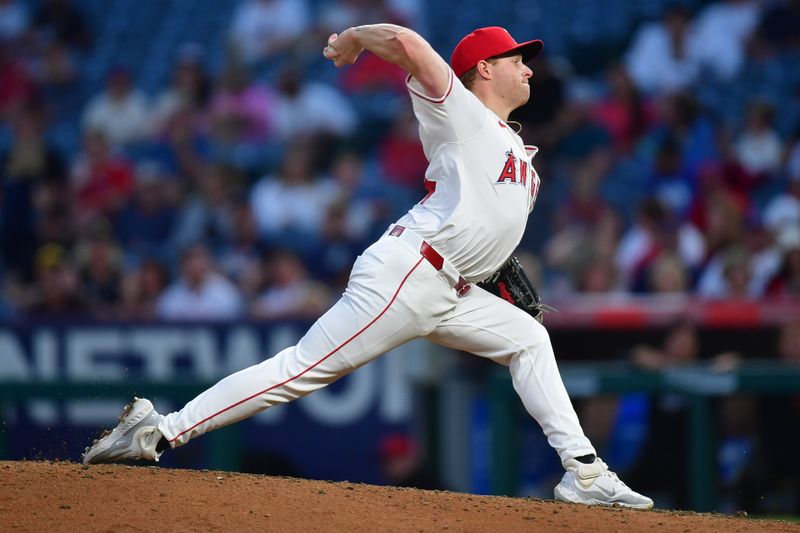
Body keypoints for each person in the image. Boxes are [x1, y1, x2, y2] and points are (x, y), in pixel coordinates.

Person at [81, 24, 653, 510]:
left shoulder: (516, 152)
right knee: (299, 370)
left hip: (451, 287)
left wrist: (493, 265)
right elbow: (405, 41)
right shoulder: (461, 114)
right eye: (516, 60)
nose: (528, 69)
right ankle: (159, 430)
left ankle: (583, 470)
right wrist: (355, 38)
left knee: (529, 336)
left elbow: (483, 222)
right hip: (410, 272)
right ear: (483, 70)